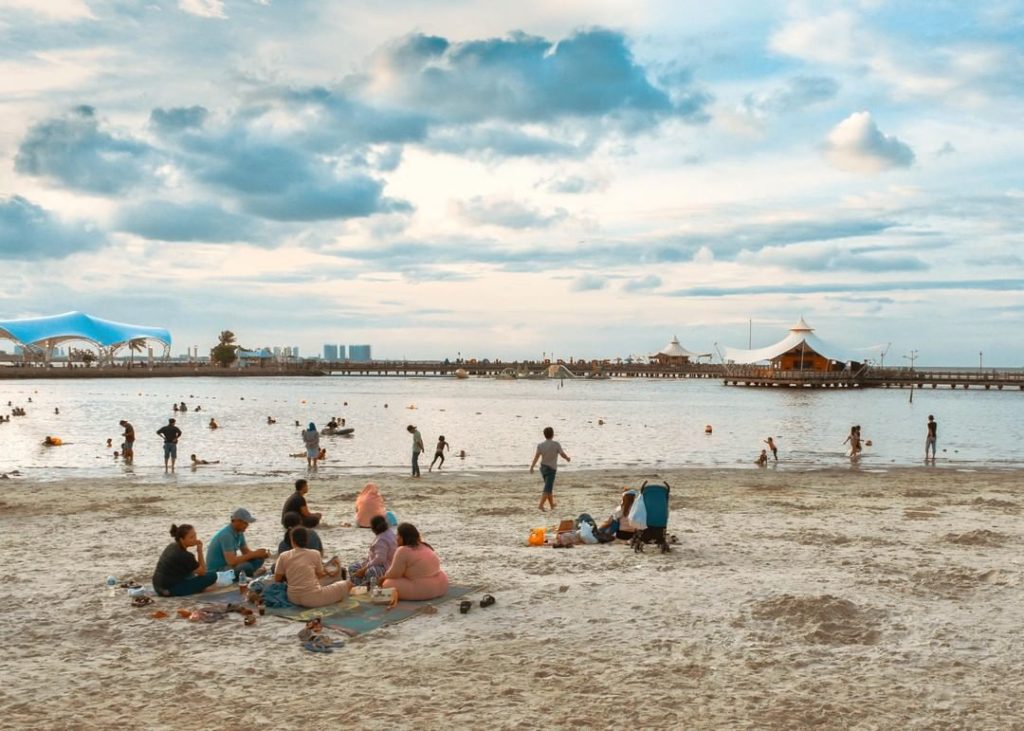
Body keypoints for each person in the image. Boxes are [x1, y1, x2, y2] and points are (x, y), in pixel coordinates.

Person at [273, 527, 351, 608]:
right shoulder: (315, 554)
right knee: (348, 584)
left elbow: (277, 579)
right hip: (313, 598)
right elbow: (320, 576)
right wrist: (336, 568)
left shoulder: (283, 556)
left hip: (293, 598)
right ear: (306, 540)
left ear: (292, 540)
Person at [381, 523, 448, 605]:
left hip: (424, 589)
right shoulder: (425, 546)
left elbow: (395, 574)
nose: (396, 538)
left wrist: (383, 577)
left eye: (398, 535)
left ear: (403, 537)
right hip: (441, 584)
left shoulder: (403, 550)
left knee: (387, 583)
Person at [152, 523, 216, 597]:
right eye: (191, 537)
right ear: (182, 539)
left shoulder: (171, 546)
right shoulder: (186, 556)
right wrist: (200, 551)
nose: (195, 539)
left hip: (157, 586)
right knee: (212, 575)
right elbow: (203, 572)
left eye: (195, 535)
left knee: (192, 572)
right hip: (168, 591)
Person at [205, 507, 270, 578]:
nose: (247, 525)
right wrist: (254, 554)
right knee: (246, 566)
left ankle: (250, 573)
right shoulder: (226, 535)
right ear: (237, 521)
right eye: (245, 523)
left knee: (258, 559)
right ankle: (252, 574)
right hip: (217, 570)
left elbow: (246, 552)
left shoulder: (239, 532)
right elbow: (231, 561)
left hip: (228, 566)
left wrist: (259, 554)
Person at [348, 515, 398, 587]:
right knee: (353, 567)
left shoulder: (381, 540)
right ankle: (361, 586)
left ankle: (361, 587)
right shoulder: (390, 533)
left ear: (373, 528)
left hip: (385, 568)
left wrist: (364, 569)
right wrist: (364, 566)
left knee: (370, 571)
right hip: (387, 566)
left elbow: (380, 559)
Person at [529, 426, 570, 511]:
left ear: (544, 435)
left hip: (543, 468)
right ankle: (541, 505)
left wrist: (532, 466)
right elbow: (562, 454)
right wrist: (567, 458)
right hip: (551, 469)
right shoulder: (556, 444)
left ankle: (552, 505)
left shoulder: (540, 445)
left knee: (549, 487)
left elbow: (536, 456)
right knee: (547, 488)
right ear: (553, 434)